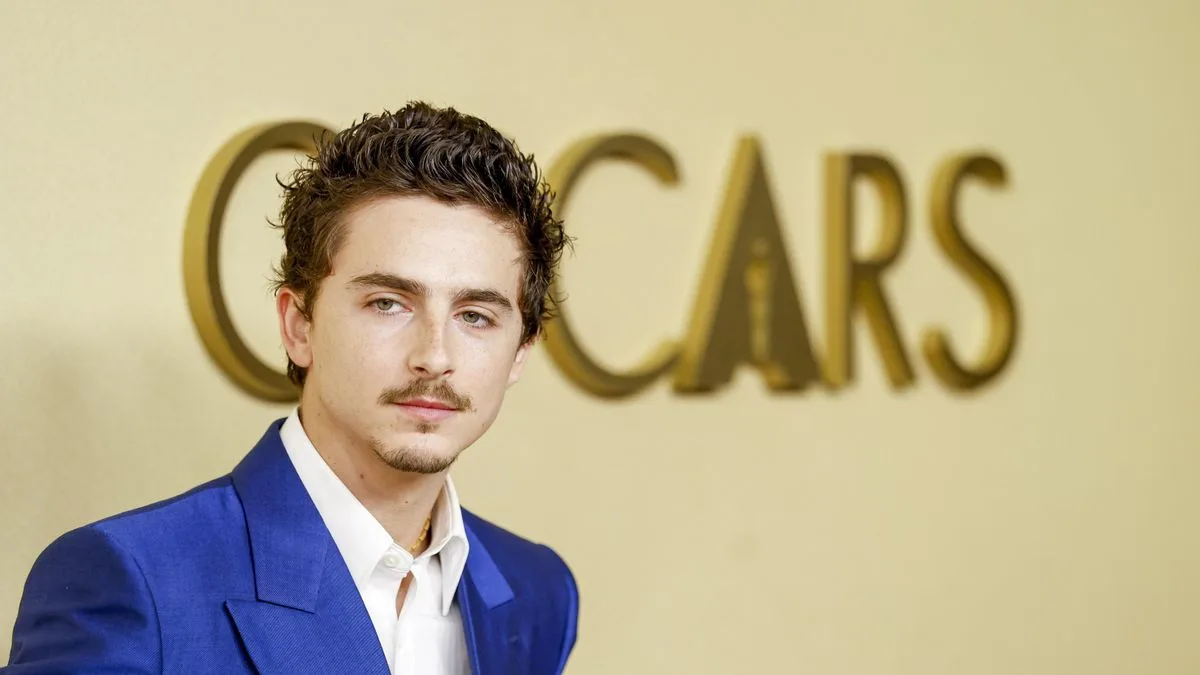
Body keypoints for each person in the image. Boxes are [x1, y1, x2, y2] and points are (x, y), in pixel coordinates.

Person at [6, 102, 579, 674]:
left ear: (520, 352)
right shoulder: (132, 584)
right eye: (388, 303)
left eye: (476, 316)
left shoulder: (537, 591)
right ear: (299, 326)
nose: (434, 357)